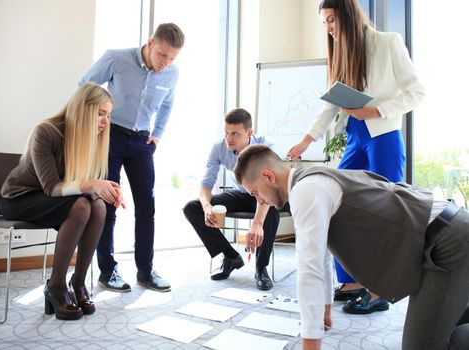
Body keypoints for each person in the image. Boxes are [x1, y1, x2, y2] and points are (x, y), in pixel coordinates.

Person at [235, 144, 469, 350]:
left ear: (268, 176)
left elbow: (310, 270)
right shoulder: (311, 181)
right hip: (440, 235)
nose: (260, 201)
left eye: (255, 193)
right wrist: (325, 307)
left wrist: (310, 344)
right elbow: (322, 256)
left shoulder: (305, 191)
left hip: (449, 241)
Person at [287, 0, 426, 313]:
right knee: (335, 203)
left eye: (332, 21)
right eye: (325, 24)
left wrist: (376, 110)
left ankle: (380, 291)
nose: (329, 29)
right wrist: (306, 140)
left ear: (348, 16)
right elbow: (330, 105)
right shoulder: (343, 54)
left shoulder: (389, 43)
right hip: (355, 137)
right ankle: (351, 281)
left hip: (384, 136)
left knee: (388, 214)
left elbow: (417, 91)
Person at [78, 23, 185, 292]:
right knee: (109, 204)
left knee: (146, 207)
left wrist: (158, 135)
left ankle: (146, 271)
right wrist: (94, 123)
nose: (166, 63)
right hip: (110, 137)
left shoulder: (172, 72)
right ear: (150, 43)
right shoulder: (116, 58)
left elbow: (168, 104)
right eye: (162, 54)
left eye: (172, 58)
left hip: (142, 142)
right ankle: (108, 270)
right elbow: (84, 87)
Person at [0, 83, 120, 320]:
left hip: (55, 200)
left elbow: (85, 188)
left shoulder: (93, 138)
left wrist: (106, 190)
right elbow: (51, 188)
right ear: (82, 111)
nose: (106, 121)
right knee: (83, 204)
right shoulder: (46, 131)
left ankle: (79, 281)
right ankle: (56, 285)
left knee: (97, 205)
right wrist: (91, 185)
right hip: (19, 198)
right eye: (100, 114)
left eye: (108, 115)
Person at [183, 108, 281, 291]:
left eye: (235, 133)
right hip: (242, 194)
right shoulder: (219, 148)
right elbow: (206, 185)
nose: (229, 138)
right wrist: (206, 207)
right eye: (226, 132)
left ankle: (261, 267)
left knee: (272, 211)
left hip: (267, 196)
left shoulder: (266, 148)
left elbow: (271, 190)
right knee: (192, 207)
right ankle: (231, 256)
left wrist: (257, 222)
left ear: (249, 133)